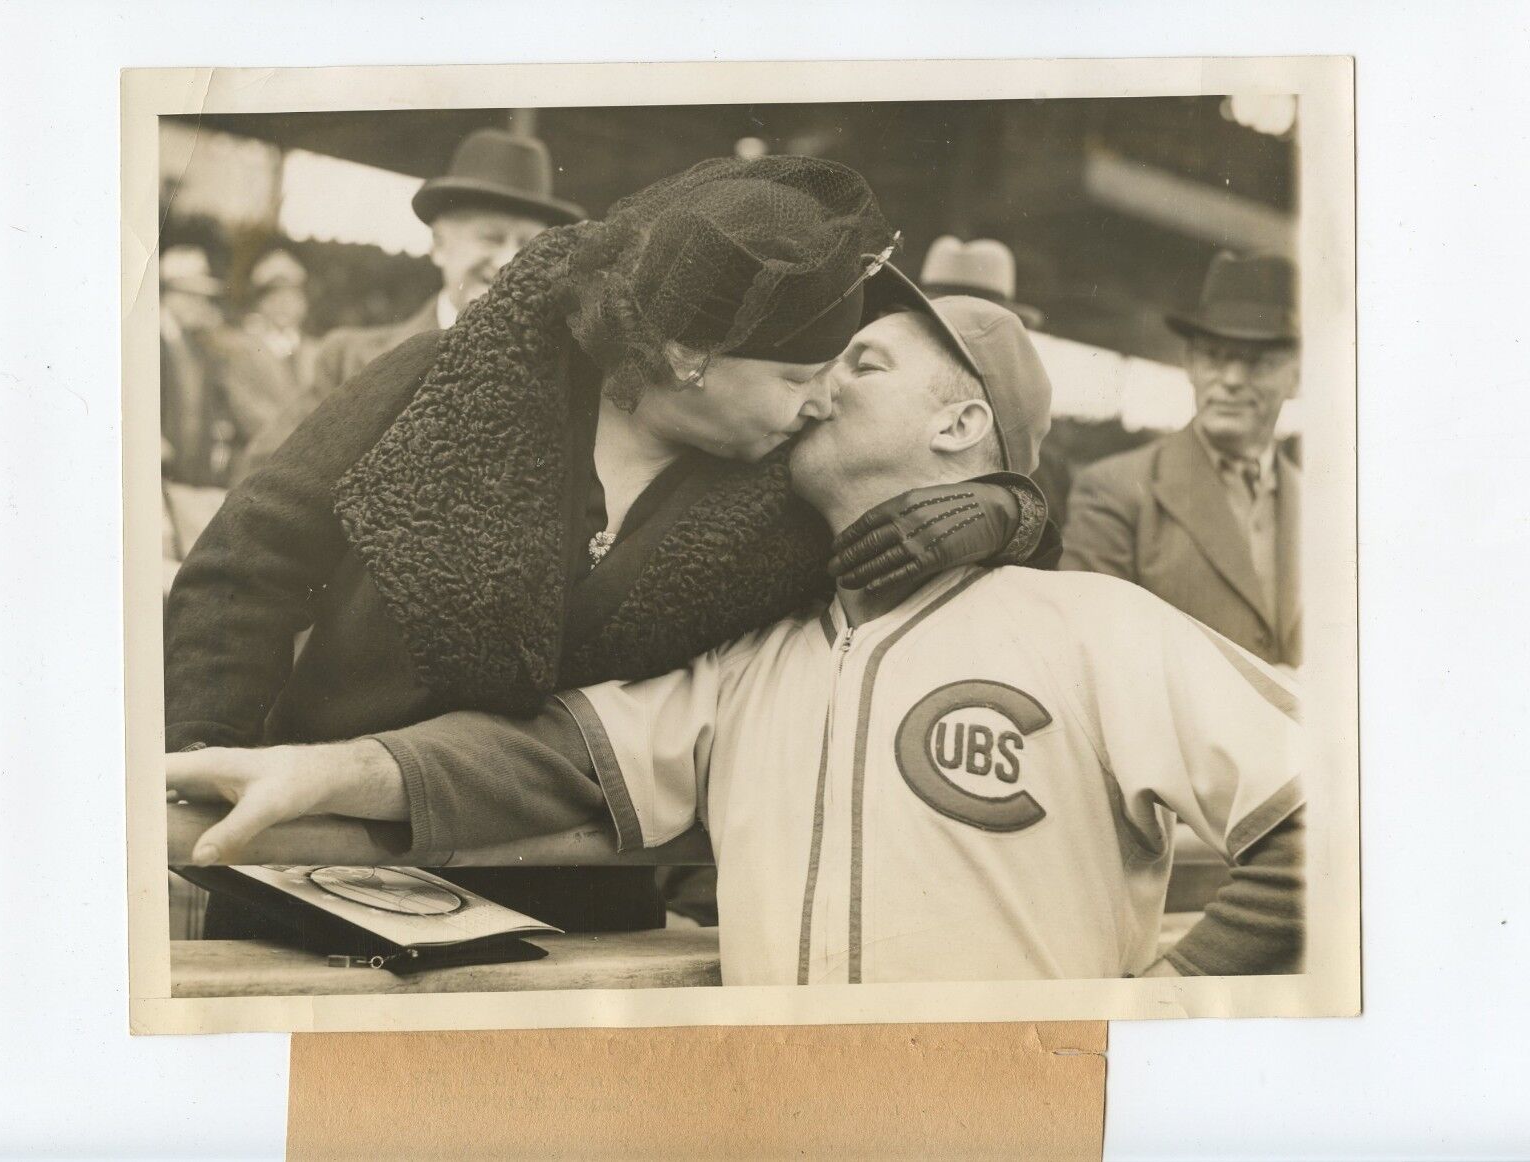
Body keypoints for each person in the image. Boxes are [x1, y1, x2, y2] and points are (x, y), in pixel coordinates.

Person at [169, 281, 1304, 984]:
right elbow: (545, 753)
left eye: (860, 363)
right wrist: (316, 771)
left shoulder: (1095, 627)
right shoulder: (749, 645)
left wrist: (1166, 1013)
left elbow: (1338, 824)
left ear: (962, 423)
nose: (813, 388)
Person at [164, 155, 1051, 936]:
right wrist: (203, 759)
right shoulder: (451, 381)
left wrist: (1004, 508)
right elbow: (249, 566)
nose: (823, 403)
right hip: (303, 863)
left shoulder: (783, 490)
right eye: (796, 377)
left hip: (572, 910)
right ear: (693, 355)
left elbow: (984, 532)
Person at [230, 129, 583, 480]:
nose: (509, 260)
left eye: (527, 244)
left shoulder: (565, 377)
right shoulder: (350, 360)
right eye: (490, 237)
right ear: (439, 245)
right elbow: (262, 481)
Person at [1061, 252, 1301, 667]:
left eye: (1257, 362)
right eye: (1214, 356)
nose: (1231, 380)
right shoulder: (1115, 490)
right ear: (1189, 364)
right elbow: (1090, 655)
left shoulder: (1333, 509)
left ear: (1296, 377)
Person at [920, 233, 1073, 524]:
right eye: (940, 331)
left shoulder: (1045, 468)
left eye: (981, 334)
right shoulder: (876, 427)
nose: (959, 349)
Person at [204, 249, 319, 483]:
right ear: (261, 304)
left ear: (304, 304)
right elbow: (245, 409)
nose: (284, 306)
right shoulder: (241, 350)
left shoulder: (315, 352)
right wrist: (302, 437)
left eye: (292, 298)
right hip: (256, 466)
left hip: (307, 471)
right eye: (274, 299)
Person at [159, 245, 231, 487]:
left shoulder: (193, 342)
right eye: (191, 295)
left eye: (202, 298)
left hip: (187, 471)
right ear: (168, 295)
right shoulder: (146, 339)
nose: (200, 304)